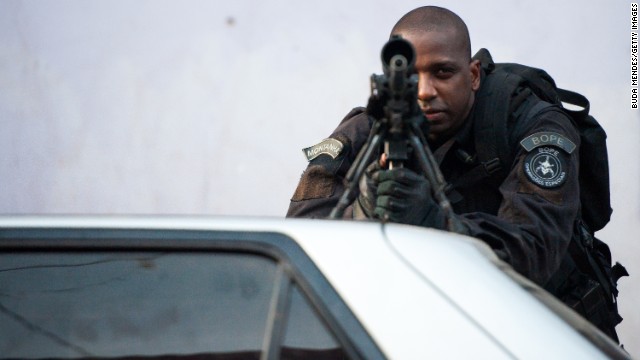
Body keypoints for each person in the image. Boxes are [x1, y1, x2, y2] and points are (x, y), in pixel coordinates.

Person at [286, 6, 620, 341]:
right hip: (437, 329)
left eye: (442, 73)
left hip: (543, 330)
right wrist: (362, 213)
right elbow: (297, 243)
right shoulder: (367, 130)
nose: (424, 92)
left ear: (473, 74)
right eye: (412, 78)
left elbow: (534, 252)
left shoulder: (530, 124)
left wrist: (437, 223)